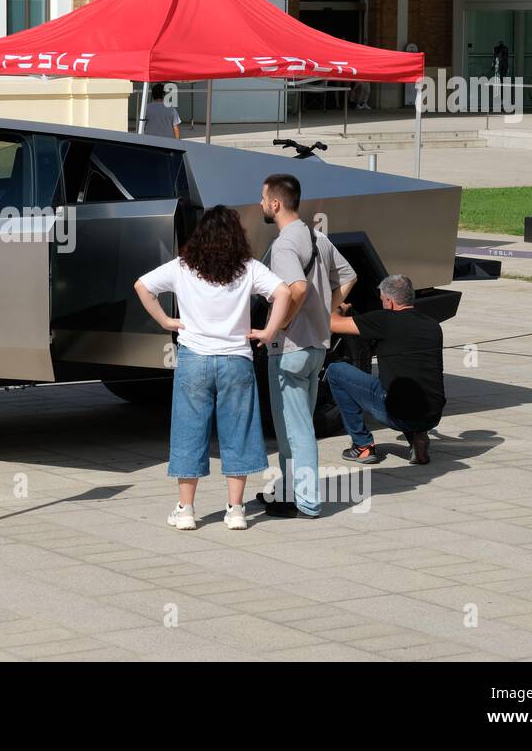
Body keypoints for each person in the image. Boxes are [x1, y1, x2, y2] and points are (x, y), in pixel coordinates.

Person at [135, 206, 291, 531]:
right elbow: (284, 292)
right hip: (236, 359)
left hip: (194, 358)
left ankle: (187, 509)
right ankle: (236, 510)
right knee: (240, 432)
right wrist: (269, 331)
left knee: (189, 432)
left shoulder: (182, 267)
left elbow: (142, 286)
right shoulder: (248, 268)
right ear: (237, 236)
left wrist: (165, 320)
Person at [257, 173, 356, 519]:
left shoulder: (284, 244)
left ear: (276, 203)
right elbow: (348, 276)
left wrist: (281, 323)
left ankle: (309, 502)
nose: (260, 204)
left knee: (296, 432)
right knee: (291, 429)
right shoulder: (317, 238)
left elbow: (296, 289)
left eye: (263, 198)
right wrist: (327, 311)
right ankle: (287, 493)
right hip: (317, 347)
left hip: (290, 349)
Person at [326, 274, 445, 466]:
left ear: (389, 302)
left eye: (382, 300)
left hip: (398, 414)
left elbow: (332, 323)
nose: (382, 304)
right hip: (433, 414)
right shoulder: (432, 325)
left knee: (336, 371)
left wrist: (339, 308)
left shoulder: (384, 320)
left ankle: (362, 445)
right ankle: (418, 438)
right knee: (413, 379)